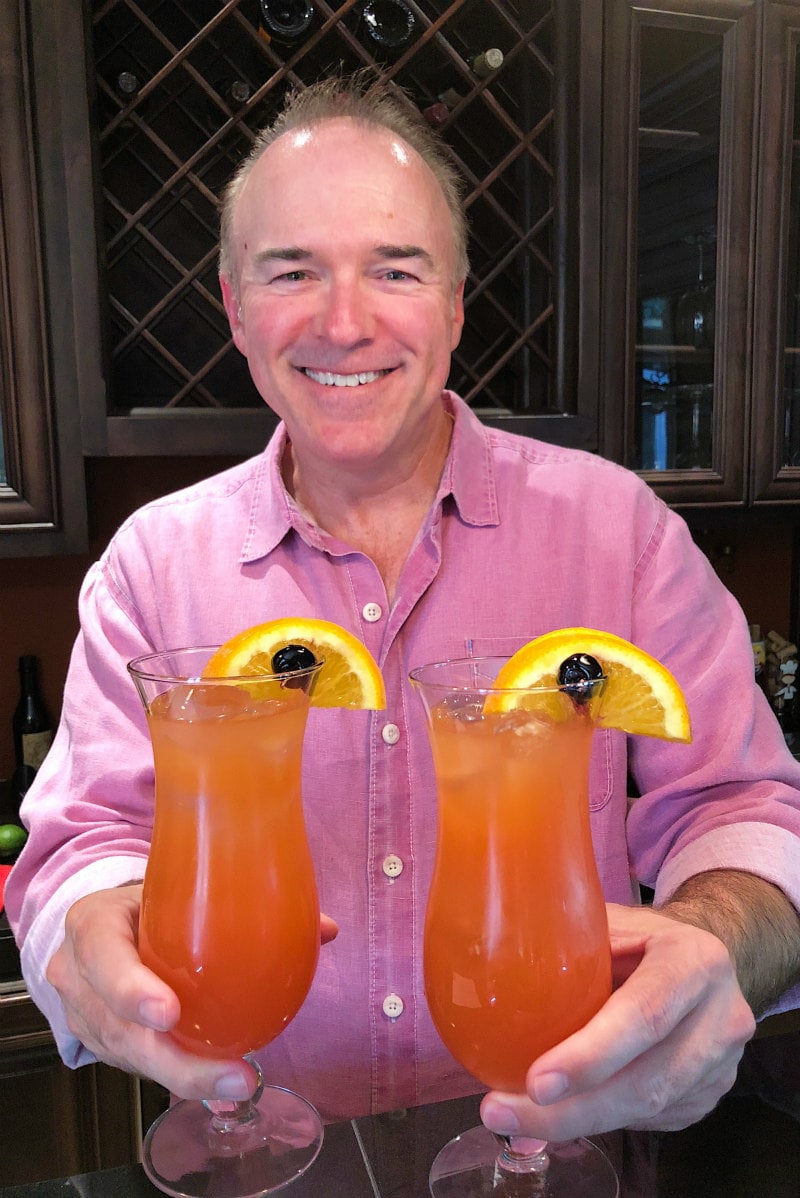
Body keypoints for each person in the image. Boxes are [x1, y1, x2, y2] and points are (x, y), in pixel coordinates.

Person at [7, 73, 800, 1148]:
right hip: (272, 1149)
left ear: (457, 302)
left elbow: (745, 804)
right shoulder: (151, 565)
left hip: (564, 1136)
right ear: (236, 305)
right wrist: (89, 930)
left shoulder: (618, 533)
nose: (344, 322)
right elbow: (79, 841)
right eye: (292, 271)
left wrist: (714, 939)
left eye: (395, 269)